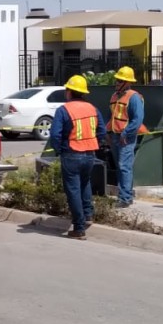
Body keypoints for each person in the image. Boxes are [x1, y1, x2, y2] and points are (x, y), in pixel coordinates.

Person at [50, 74, 107, 239]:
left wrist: (60, 149)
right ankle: (88, 214)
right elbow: (102, 132)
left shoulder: (63, 110)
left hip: (72, 154)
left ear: (69, 92)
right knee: (85, 183)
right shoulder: (93, 108)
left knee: (73, 190)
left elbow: (55, 135)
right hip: (90, 154)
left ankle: (79, 228)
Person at [108, 66, 148, 208]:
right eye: (117, 80)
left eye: (120, 81)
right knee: (121, 167)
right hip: (115, 136)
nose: (117, 83)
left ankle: (125, 198)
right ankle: (125, 195)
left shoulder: (134, 97)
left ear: (127, 82)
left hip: (126, 137)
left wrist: (126, 133)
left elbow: (137, 120)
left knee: (124, 166)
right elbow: (113, 117)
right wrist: (108, 133)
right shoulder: (115, 96)